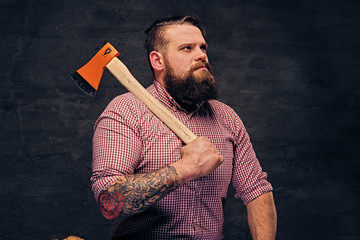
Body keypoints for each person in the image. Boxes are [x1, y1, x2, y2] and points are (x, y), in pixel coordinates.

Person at [91, 15, 277, 239]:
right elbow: (109, 202)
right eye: (187, 48)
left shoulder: (226, 118)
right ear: (157, 61)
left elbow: (257, 191)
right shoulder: (125, 111)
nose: (201, 55)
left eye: (202, 47)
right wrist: (186, 168)